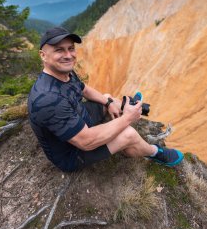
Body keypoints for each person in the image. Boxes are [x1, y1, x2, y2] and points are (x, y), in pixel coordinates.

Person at [28, 26, 184, 172]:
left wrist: (109, 103)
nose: (68, 55)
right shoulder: (48, 99)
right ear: (43, 55)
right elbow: (86, 142)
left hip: (80, 118)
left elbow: (85, 90)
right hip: (73, 154)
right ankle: (155, 152)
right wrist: (128, 119)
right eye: (59, 50)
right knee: (128, 133)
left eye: (71, 49)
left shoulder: (64, 73)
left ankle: (131, 106)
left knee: (107, 98)